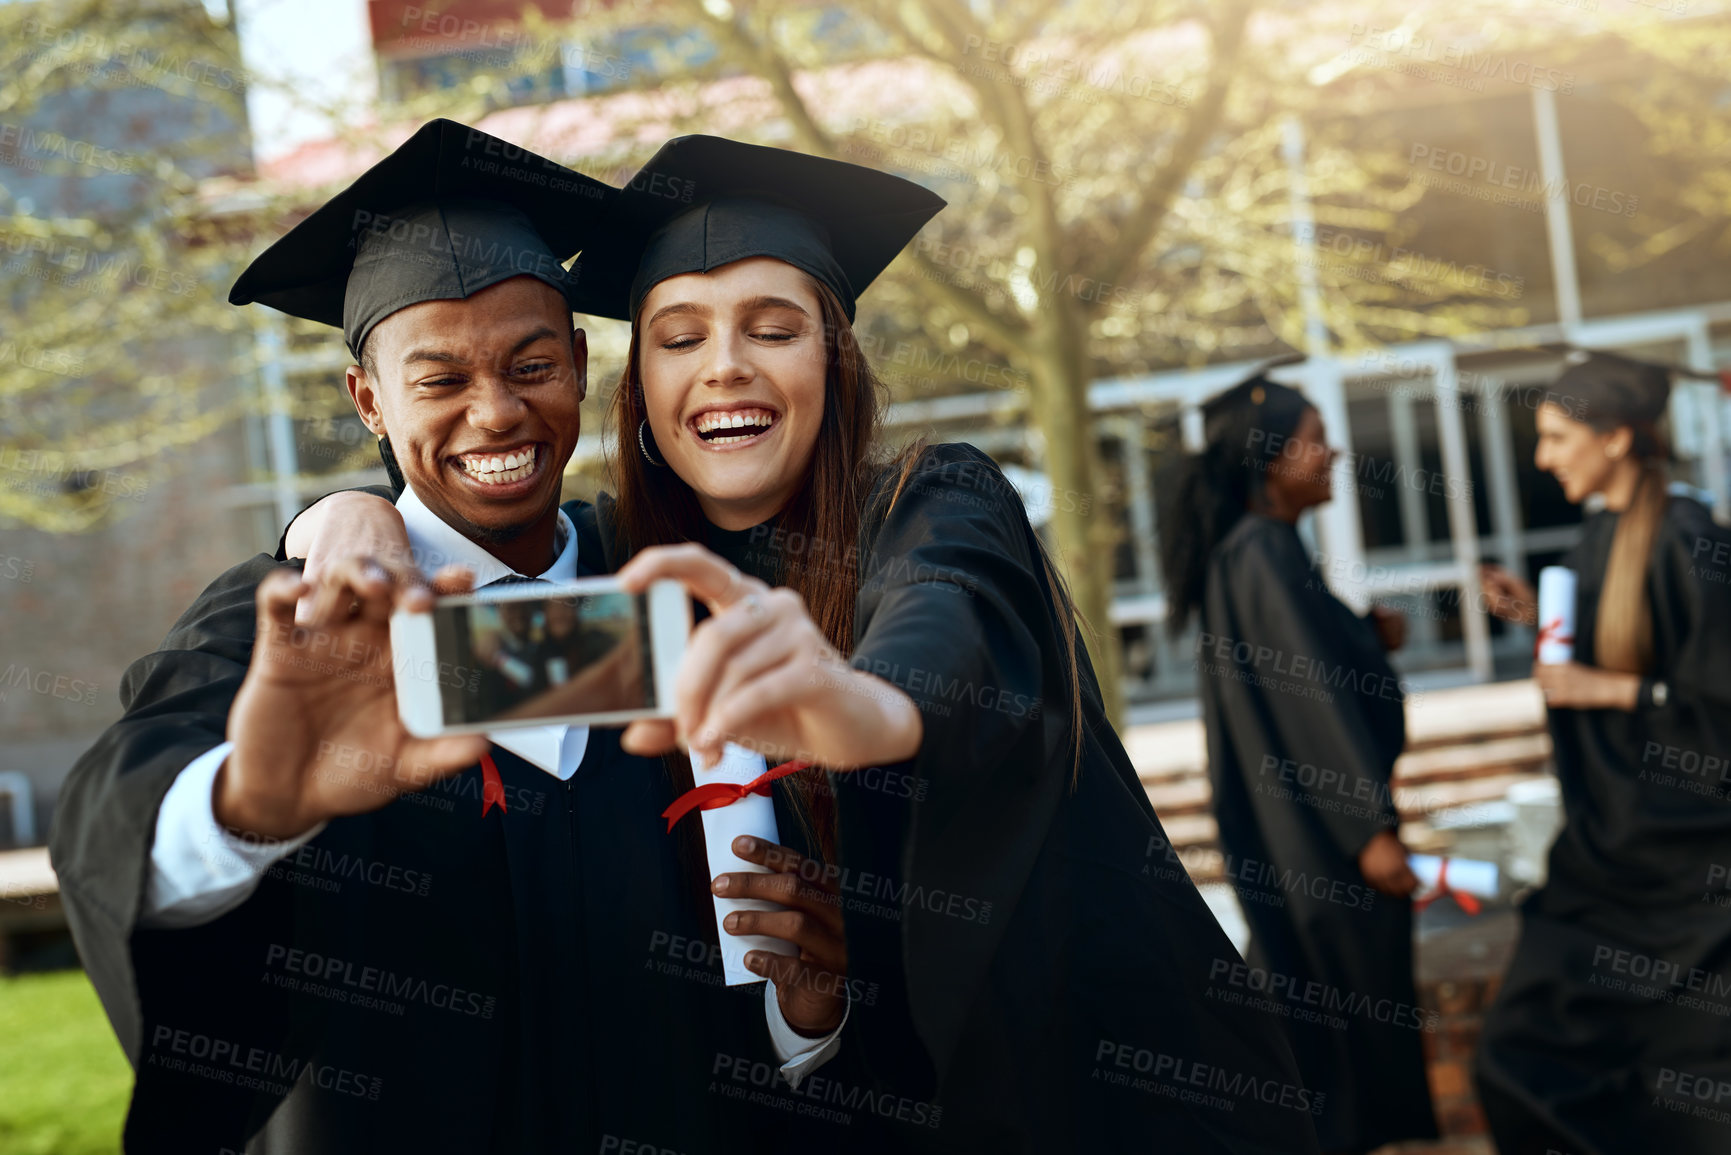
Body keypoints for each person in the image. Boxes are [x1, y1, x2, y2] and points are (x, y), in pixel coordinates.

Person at [289, 134, 1320, 1153]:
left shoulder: (933, 500)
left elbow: (943, 623)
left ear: (834, 357)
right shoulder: (639, 579)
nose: (725, 365)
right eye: (681, 337)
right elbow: (438, 671)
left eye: (773, 329)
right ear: (638, 387)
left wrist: (862, 705)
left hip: (1114, 1101)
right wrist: (341, 519)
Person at [48, 120, 849, 1155]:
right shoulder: (297, 621)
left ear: (577, 359)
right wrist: (252, 802)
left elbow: (765, 1023)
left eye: (530, 365)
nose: (498, 413)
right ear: (368, 402)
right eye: (440, 383)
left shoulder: (675, 587)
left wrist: (812, 1008)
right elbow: (120, 820)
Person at [1156, 366, 1438, 1154]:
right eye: (1315, 439)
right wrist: (1368, 830)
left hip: (1295, 838)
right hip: (1320, 846)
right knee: (1338, 1037)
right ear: (1269, 455)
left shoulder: (1260, 551)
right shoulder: (1261, 555)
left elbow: (1305, 667)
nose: (1333, 452)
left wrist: (1361, 637)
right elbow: (1310, 703)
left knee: (1315, 1031)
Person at [1473, 350, 1731, 1154]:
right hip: (1606, 861)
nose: (1543, 456)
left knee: (1689, 1093)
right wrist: (1532, 615)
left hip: (1689, 876)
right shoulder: (1602, 534)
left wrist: (1604, 689)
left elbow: (1708, 701)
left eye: (1555, 436)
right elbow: (1620, 646)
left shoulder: (1691, 542)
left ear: (1614, 438)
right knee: (1515, 1056)